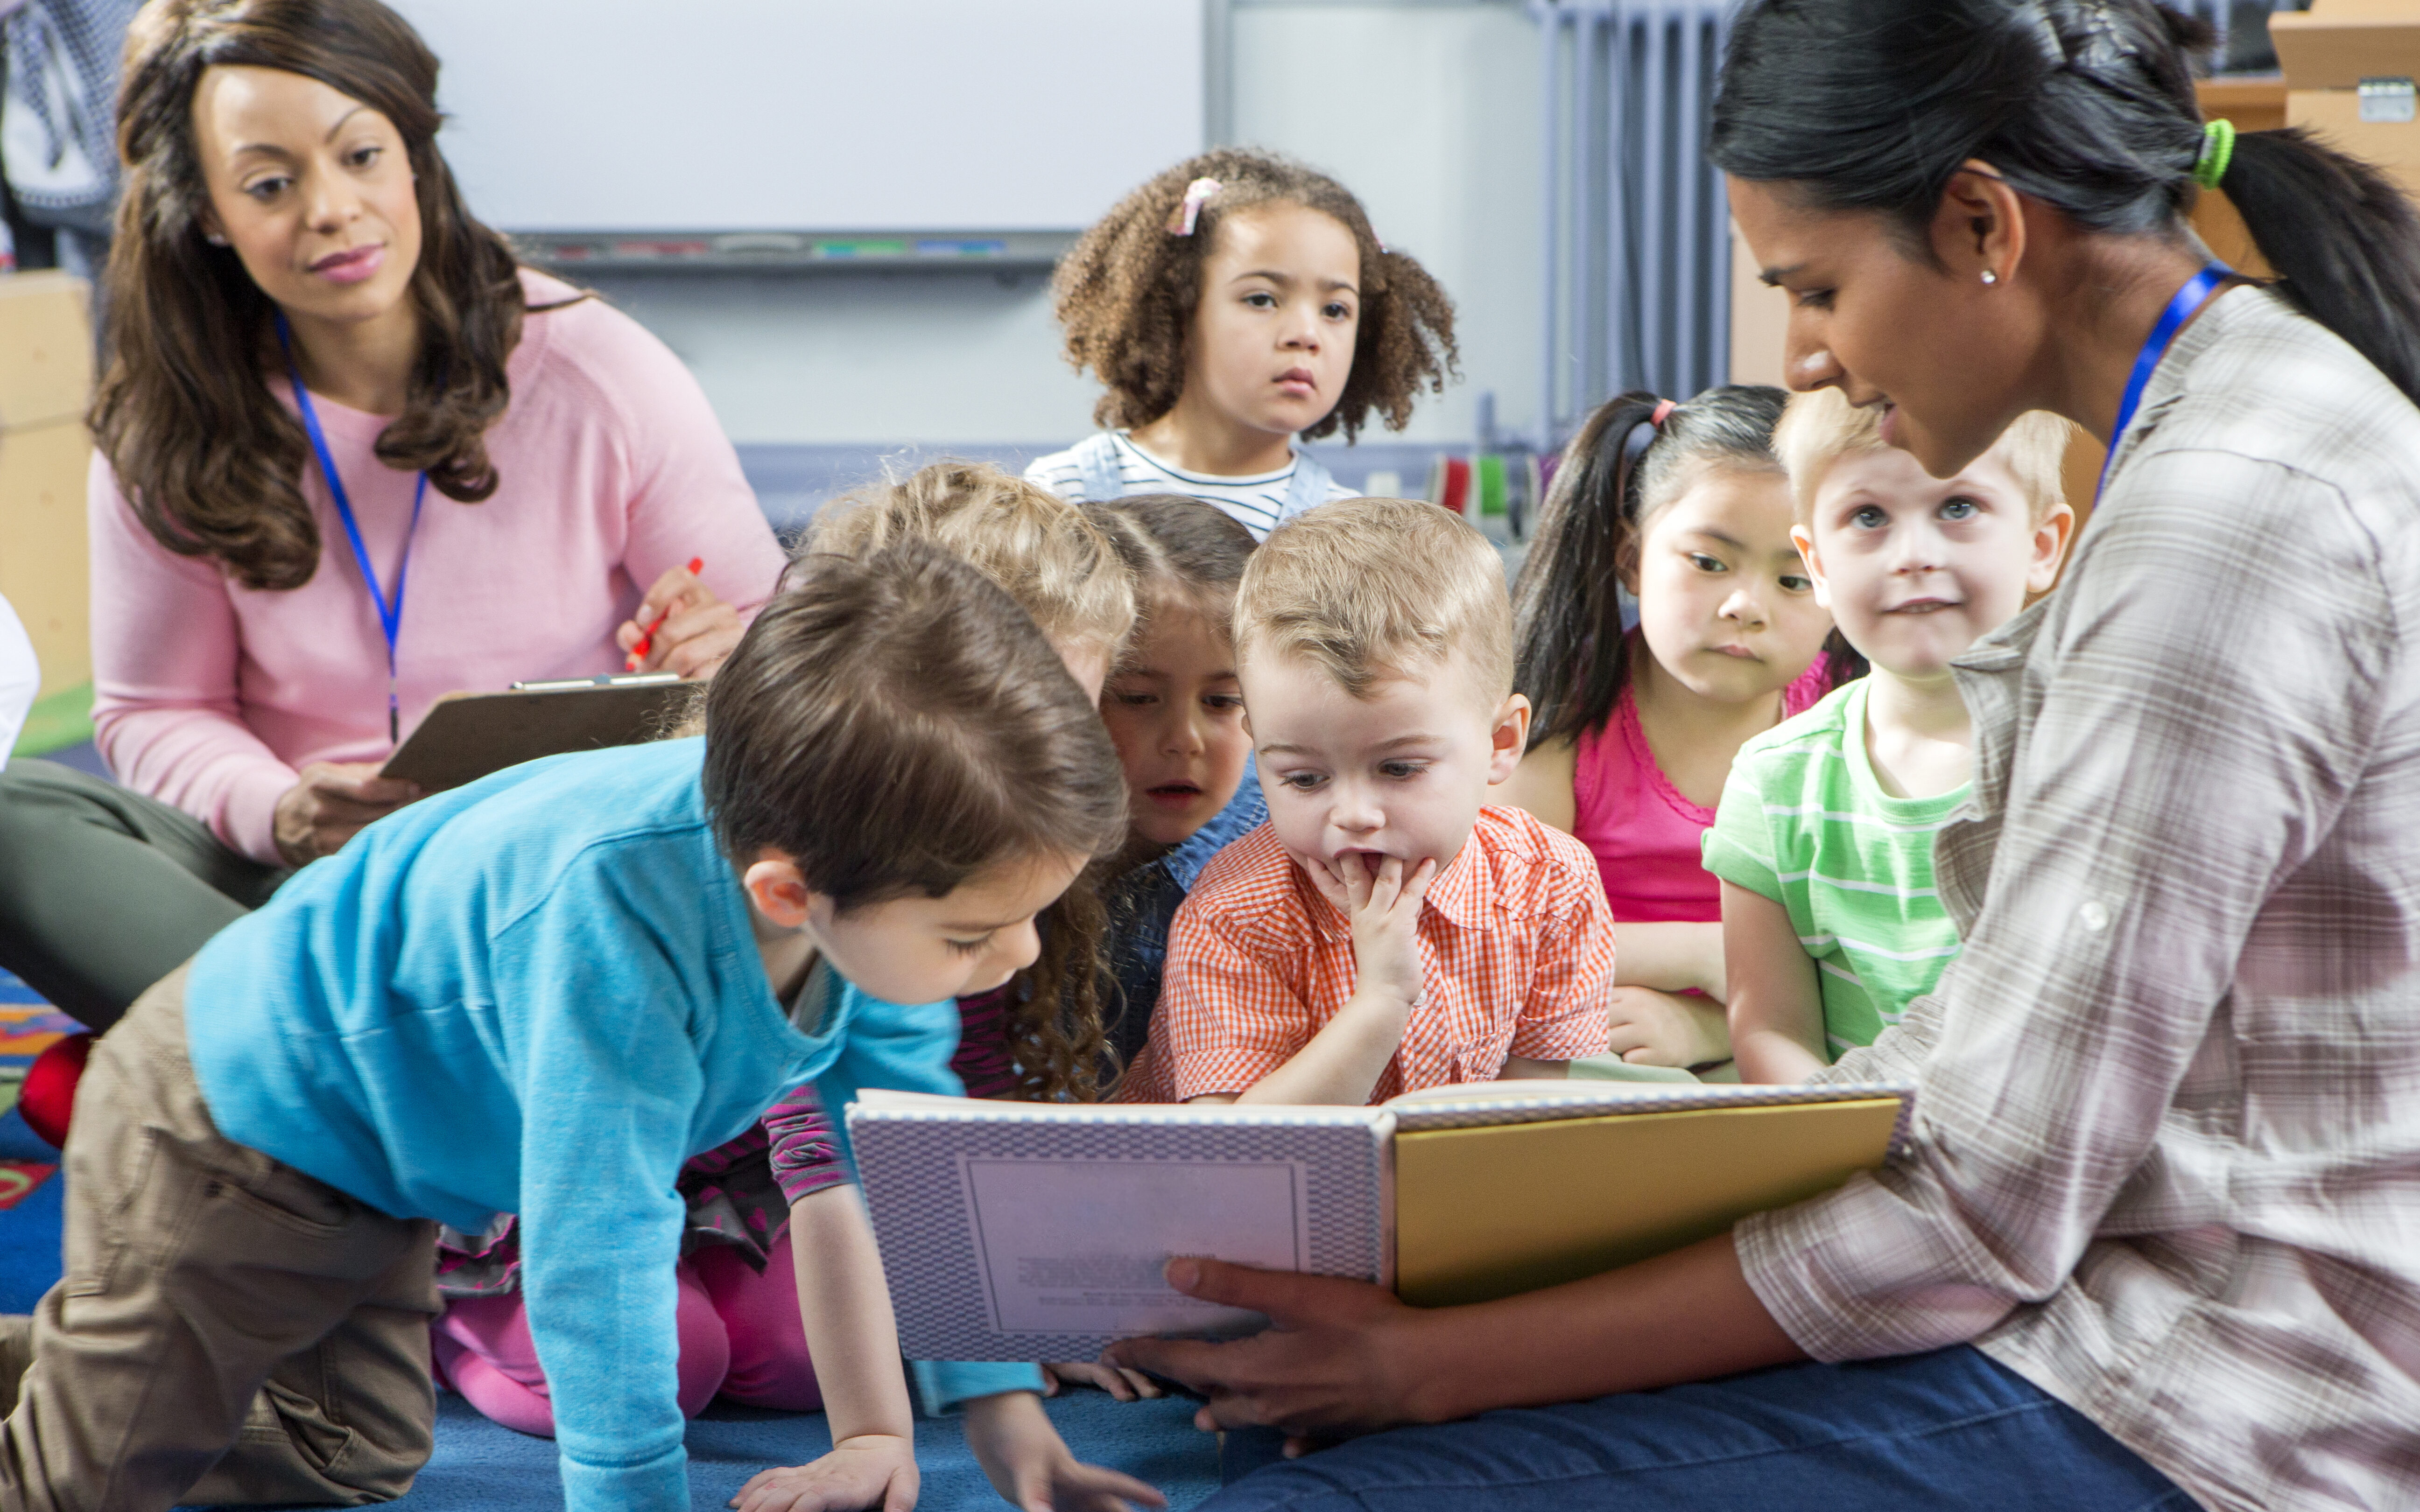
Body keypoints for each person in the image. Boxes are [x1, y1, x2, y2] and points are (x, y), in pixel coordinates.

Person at [1102, 3, 2420, 1507]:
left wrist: (1436, 1363)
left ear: (1985, 223)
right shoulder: (2228, 430)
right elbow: (1989, 1059)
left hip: (2215, 1381)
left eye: (1816, 288)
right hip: (2116, 1290)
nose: (1808, 356)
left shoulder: (2221, 512)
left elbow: (1984, 1211)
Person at [0, 543, 1160, 1512]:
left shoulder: (846, 868)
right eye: (973, 934)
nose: (1012, 957)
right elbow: (596, 1246)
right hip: (233, 1119)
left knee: (341, 1451)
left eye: (1030, 919)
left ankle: (99, 1354)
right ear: (787, 894)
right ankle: (100, 1373)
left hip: (385, 1163)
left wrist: (1002, 1411)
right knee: (86, 1478)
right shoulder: (616, 918)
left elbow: (907, 1155)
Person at [0, 0, 786, 1035]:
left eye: (362, 156)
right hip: (298, 894)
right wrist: (280, 810)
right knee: (17, 819)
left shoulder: (598, 370)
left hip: (559, 887)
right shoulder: (168, 425)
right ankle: (348, 1060)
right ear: (207, 214)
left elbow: (780, 653)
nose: (330, 210)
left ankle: (262, 1064)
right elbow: (154, 713)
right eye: (271, 185)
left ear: (414, 157)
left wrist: (724, 648)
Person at [1118, 496, 1614, 1107]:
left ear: (1501, 741)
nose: (1352, 814)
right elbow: (1239, 1158)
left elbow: (1526, 1124)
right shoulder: (1235, 916)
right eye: (1303, 778)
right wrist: (1381, 1003)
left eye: (1400, 768)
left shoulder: (1551, 884)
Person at [1714, 392, 2072, 1083]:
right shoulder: (1774, 782)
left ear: (2041, 545)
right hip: (1853, 1153)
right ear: (1816, 564)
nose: (1913, 555)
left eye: (1958, 508)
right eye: (1869, 517)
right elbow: (1770, 1030)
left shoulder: (2096, 752)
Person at [1497, 386, 1845, 1073]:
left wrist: (1718, 1019)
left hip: (1790, 1056)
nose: (1746, 605)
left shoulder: (1845, 727)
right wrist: (1705, 954)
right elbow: (1495, 935)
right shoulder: (1559, 723)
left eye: (1795, 577)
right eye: (1710, 563)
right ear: (1631, 559)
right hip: (1590, 1056)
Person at [1027, 149, 1457, 539]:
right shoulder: (1062, 493)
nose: (1306, 335)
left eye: (1335, 311)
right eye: (1262, 300)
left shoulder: (1349, 534)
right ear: (1178, 311)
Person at [1089, 496, 1266, 1079]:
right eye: (1138, 698)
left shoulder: (1285, 857)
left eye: (1223, 702)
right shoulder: (1002, 847)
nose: (1185, 740)